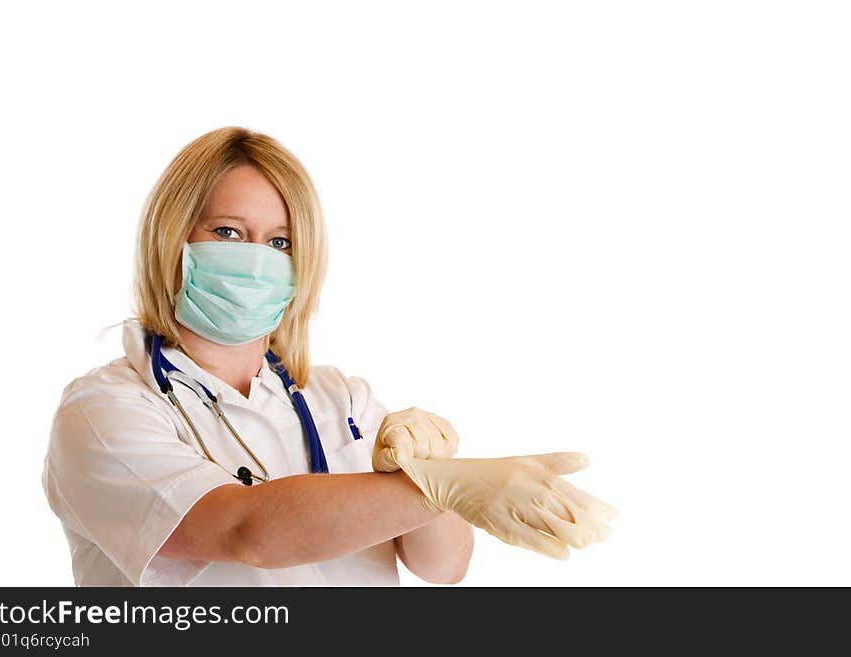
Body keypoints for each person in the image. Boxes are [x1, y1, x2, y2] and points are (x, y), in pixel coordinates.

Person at [41, 126, 615, 587]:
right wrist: (434, 487)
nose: (259, 259)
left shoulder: (340, 396)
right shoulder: (104, 411)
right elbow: (248, 530)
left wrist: (436, 471)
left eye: (281, 242)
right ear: (173, 239)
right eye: (230, 232)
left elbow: (443, 567)